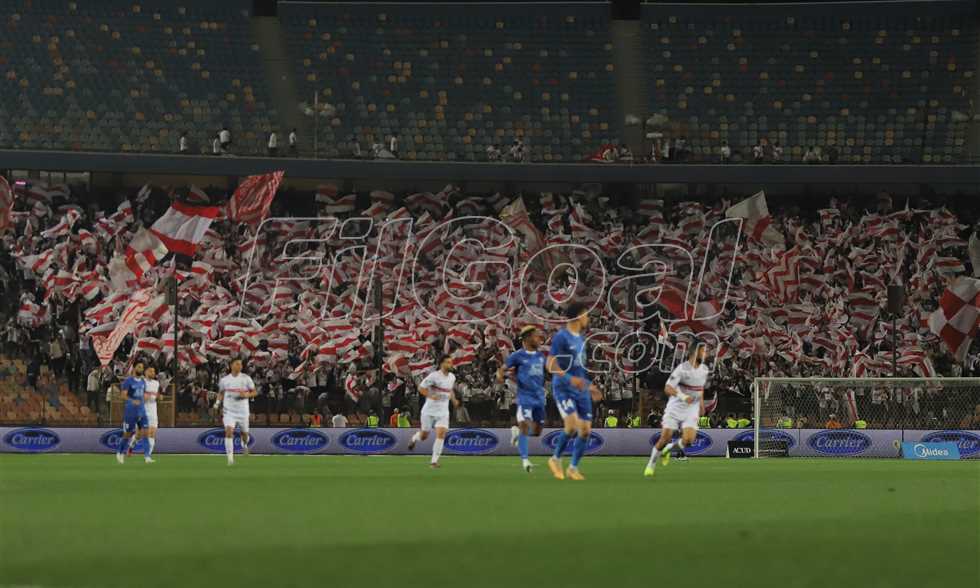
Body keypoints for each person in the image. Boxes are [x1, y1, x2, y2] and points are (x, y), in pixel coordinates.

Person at [547, 302, 602, 481]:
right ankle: (555, 459)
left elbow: (579, 370)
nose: (588, 318)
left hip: (581, 390)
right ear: (578, 316)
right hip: (563, 388)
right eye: (586, 314)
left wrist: (589, 386)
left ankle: (573, 468)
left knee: (585, 430)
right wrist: (570, 379)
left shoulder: (580, 339)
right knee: (571, 426)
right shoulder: (561, 337)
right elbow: (550, 365)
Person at [645, 342, 710, 478]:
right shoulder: (681, 369)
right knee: (665, 438)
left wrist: (702, 406)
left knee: (688, 440)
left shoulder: (704, 369)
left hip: (691, 408)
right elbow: (668, 388)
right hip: (676, 406)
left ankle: (669, 449)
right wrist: (683, 396)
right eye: (703, 351)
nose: (706, 354)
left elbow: (700, 389)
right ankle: (651, 464)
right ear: (695, 353)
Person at [498, 325, 546, 472]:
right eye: (536, 336)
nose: (539, 339)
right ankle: (525, 461)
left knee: (537, 432)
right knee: (525, 425)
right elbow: (502, 369)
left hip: (539, 397)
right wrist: (500, 376)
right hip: (525, 397)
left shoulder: (540, 356)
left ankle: (517, 434)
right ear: (527, 338)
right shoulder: (518, 356)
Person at [407, 355, 461, 468]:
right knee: (424, 435)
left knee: (441, 434)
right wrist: (431, 395)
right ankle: (414, 438)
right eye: (448, 362)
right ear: (442, 364)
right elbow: (421, 388)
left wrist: (454, 400)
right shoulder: (434, 376)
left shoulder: (452, 377)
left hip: (443, 411)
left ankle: (434, 461)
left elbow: (450, 390)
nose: (450, 364)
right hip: (429, 410)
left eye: (451, 362)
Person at [216, 358, 256, 466]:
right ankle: (230, 459)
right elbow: (220, 393)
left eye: (241, 364)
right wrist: (216, 403)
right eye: (237, 364)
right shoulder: (224, 380)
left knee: (244, 434)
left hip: (243, 411)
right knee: (229, 431)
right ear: (231, 365)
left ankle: (244, 444)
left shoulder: (246, 378)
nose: (240, 366)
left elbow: (254, 392)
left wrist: (246, 395)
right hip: (229, 411)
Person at [115, 362, 147, 464]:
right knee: (127, 434)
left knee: (142, 432)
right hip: (131, 411)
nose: (140, 369)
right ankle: (119, 452)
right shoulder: (128, 381)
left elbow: (143, 395)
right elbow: (123, 395)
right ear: (134, 369)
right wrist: (132, 400)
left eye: (142, 367)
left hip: (141, 411)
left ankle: (131, 447)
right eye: (139, 367)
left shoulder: (143, 382)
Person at [141, 366, 161, 462]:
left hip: (153, 410)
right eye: (150, 371)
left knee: (152, 433)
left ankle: (147, 456)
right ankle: (132, 446)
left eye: (154, 371)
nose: (152, 373)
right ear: (145, 373)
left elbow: (156, 396)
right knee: (145, 433)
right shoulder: (142, 382)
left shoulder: (156, 383)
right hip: (144, 410)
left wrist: (158, 397)